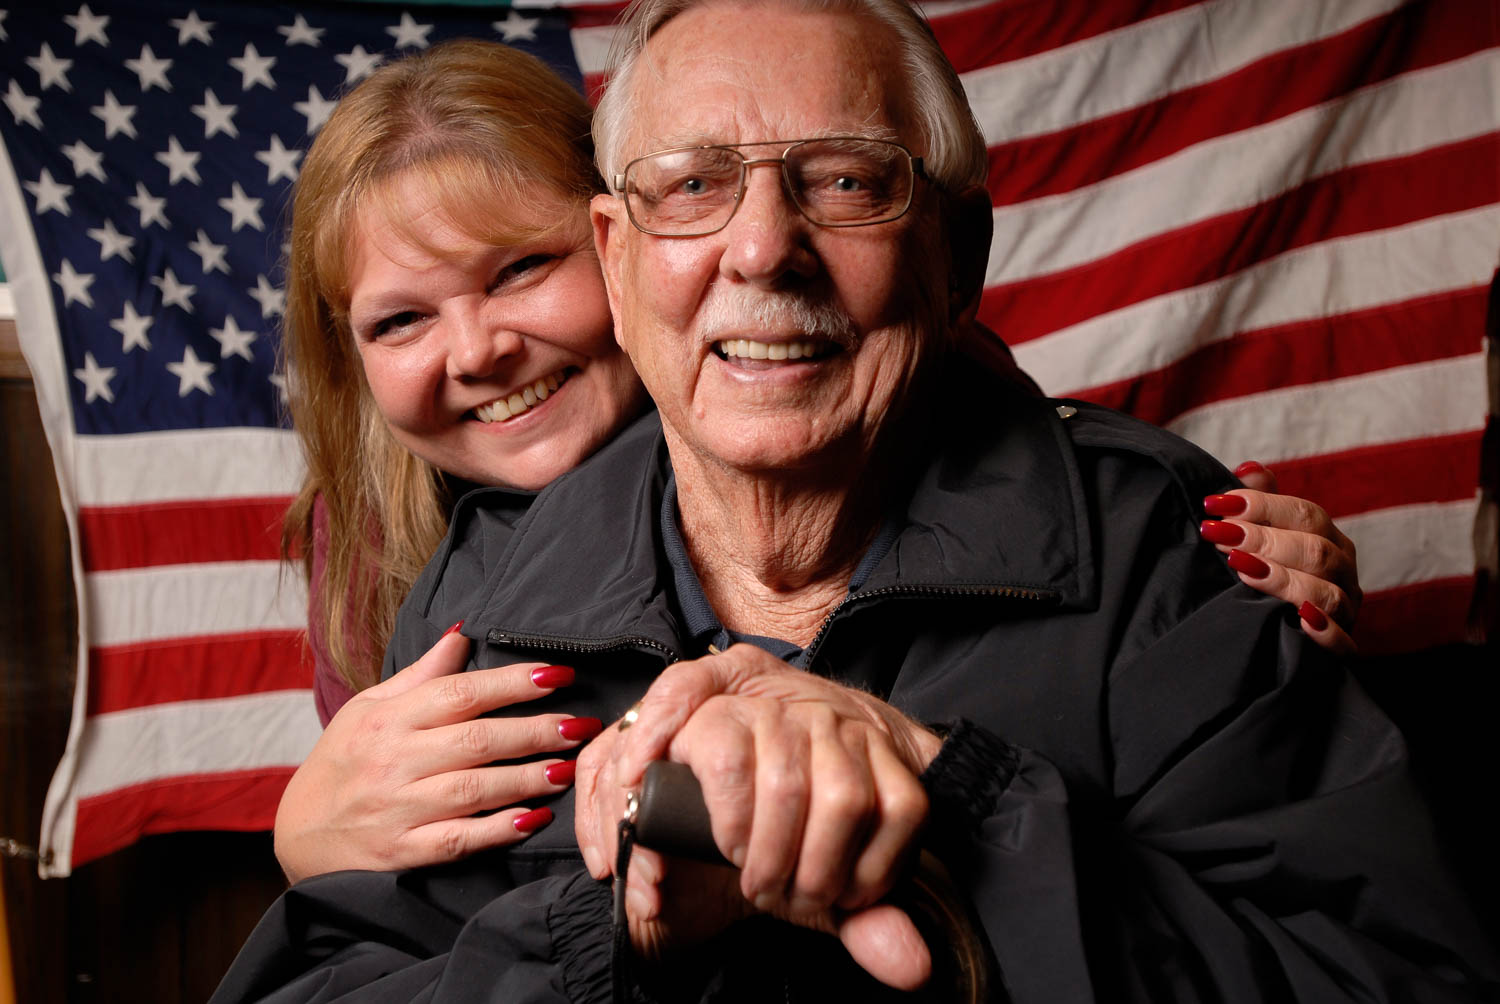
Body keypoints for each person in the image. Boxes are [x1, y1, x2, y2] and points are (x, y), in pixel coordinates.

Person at [215, 1, 1495, 1000]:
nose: (764, 248)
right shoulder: (467, 603)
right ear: (622, 254)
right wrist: (624, 930)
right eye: (693, 185)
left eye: (845, 179)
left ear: (956, 258)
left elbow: (1395, 974)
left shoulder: (1161, 549)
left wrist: (950, 800)